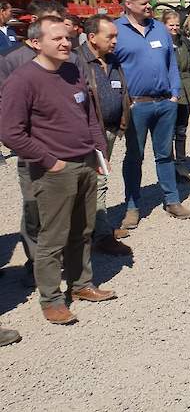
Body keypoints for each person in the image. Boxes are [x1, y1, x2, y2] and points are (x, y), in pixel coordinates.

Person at [0, 16, 117, 325]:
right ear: (36, 43)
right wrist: (50, 161)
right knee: (53, 237)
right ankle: (51, 299)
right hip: (54, 171)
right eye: (58, 39)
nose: (66, 43)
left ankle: (81, 285)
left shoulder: (72, 69)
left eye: (67, 37)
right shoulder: (23, 80)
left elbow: (88, 112)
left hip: (86, 163)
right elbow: (10, 132)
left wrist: (99, 150)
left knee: (83, 229)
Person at [0, 0, 75, 286]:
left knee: (62, 206)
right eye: (52, 22)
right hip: (31, 151)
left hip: (66, 149)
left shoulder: (69, 59)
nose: (61, 31)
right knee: (34, 208)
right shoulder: (12, 59)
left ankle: (61, 259)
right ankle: (36, 264)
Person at [114, 0, 190, 230]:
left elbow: (171, 63)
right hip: (136, 105)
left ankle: (172, 200)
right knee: (134, 157)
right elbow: (110, 66)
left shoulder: (159, 28)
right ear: (128, 4)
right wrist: (123, 100)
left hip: (164, 104)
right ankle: (132, 207)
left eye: (149, 2)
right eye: (144, 3)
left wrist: (174, 93)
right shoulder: (117, 30)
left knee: (165, 155)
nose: (149, 6)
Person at [76, 14, 132, 256]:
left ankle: (98, 227)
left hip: (108, 132)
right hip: (88, 135)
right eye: (110, 36)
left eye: (116, 36)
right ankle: (99, 235)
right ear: (91, 37)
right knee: (94, 183)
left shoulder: (112, 60)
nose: (115, 41)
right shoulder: (76, 62)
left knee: (99, 182)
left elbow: (121, 89)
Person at [163, 10, 190, 183]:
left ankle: (181, 163)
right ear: (164, 25)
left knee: (182, 129)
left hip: (186, 89)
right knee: (168, 130)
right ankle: (168, 165)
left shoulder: (184, 42)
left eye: (177, 25)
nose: (174, 28)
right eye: (171, 25)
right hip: (170, 91)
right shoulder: (161, 45)